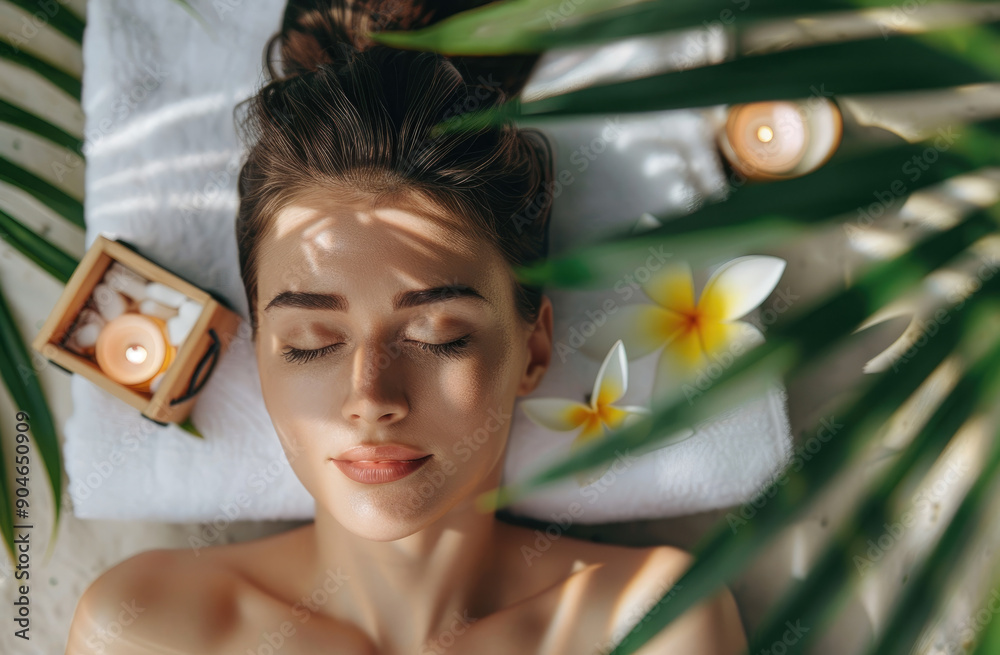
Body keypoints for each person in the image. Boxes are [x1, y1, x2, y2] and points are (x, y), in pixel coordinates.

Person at [66, 1, 747, 653]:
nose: (371, 394)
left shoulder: (652, 624)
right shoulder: (146, 630)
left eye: (438, 335)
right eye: (312, 343)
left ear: (532, 347)